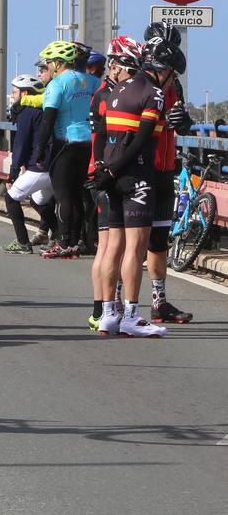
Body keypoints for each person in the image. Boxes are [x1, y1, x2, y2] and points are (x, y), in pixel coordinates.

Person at [89, 37, 166, 338]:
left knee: (112, 246)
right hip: (135, 176)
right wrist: (116, 168)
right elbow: (143, 139)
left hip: (109, 179)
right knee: (135, 248)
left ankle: (109, 313)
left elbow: (101, 138)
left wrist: (102, 170)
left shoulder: (112, 92)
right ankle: (132, 315)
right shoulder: (153, 93)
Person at [142, 28, 195, 324]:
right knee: (132, 242)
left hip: (164, 170)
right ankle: (117, 303)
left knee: (159, 241)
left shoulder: (175, 85)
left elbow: (182, 123)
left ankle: (158, 301)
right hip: (140, 169)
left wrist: (183, 121)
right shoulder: (137, 84)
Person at [32, 40, 98, 259]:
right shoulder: (92, 81)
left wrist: (40, 151)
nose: (47, 66)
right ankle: (76, 242)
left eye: (49, 63)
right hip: (88, 143)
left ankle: (63, 242)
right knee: (78, 194)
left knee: (63, 196)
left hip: (65, 143)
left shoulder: (56, 84)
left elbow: (47, 121)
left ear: (59, 63)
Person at [1, 74, 58, 254]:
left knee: (11, 198)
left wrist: (12, 172)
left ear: (25, 93)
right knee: (37, 200)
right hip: (53, 165)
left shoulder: (27, 112)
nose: (12, 95)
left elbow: (20, 145)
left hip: (39, 166)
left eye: (15, 91)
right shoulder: (43, 109)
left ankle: (23, 243)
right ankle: (57, 235)